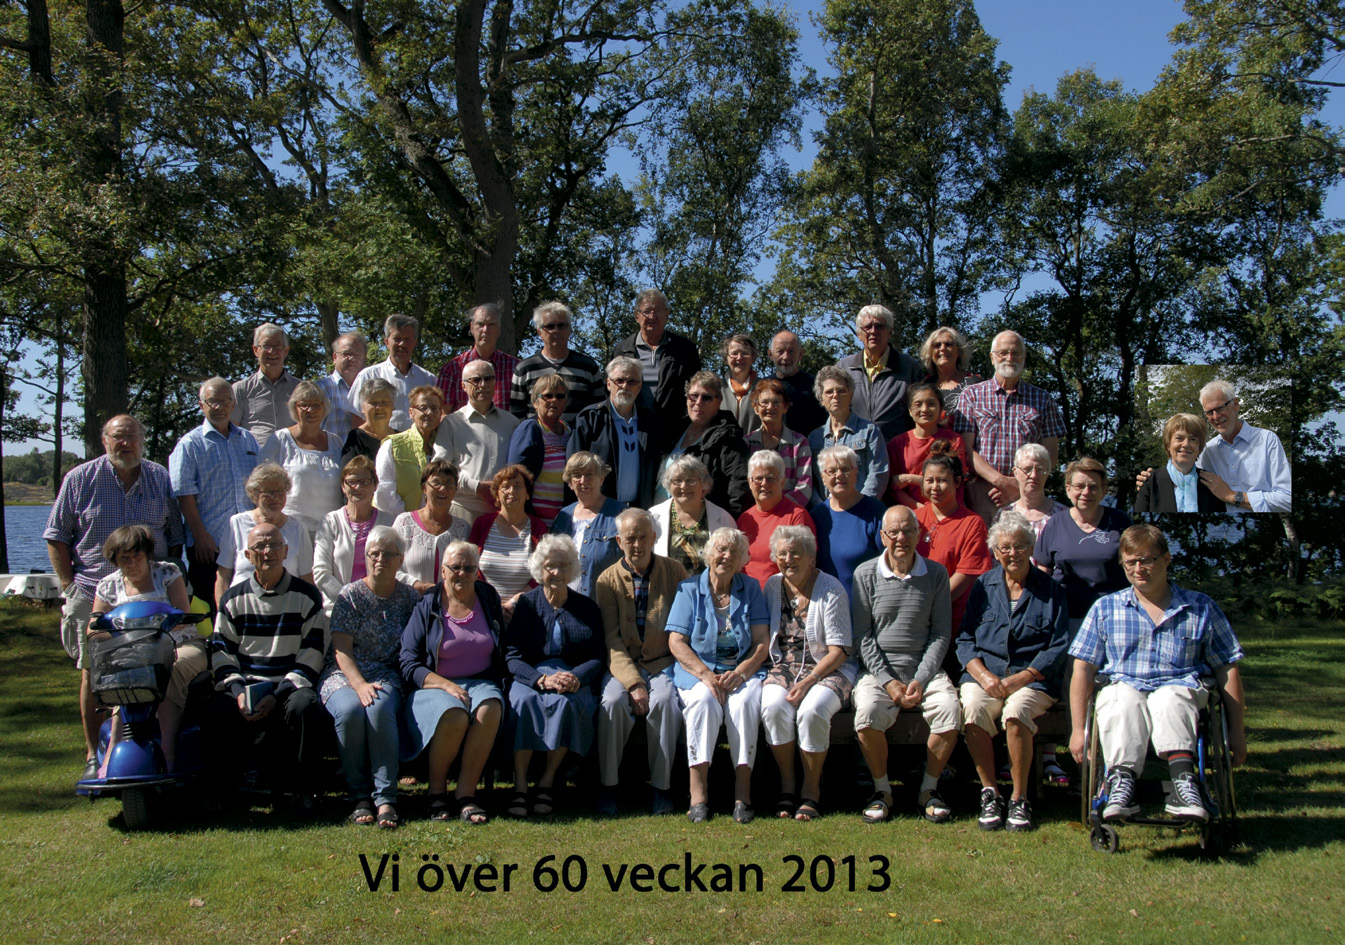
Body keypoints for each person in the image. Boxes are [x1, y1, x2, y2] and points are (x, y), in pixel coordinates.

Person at [1068, 524, 1247, 824]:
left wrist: (1236, 732)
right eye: (1131, 562)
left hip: (1181, 688)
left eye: (1147, 560)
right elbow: (1082, 669)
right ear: (1123, 564)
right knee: (1118, 697)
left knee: (1169, 697)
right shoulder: (1105, 608)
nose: (1139, 568)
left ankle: (1183, 784)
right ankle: (1119, 785)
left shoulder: (1201, 607)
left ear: (1166, 559)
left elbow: (1227, 667)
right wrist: (1078, 730)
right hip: (1125, 686)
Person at [46, 415, 185, 781]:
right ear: (104, 440)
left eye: (132, 437)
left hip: (150, 593)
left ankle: (147, 742)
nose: (126, 444)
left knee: (156, 667)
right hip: (94, 590)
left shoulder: (159, 477)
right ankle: (95, 753)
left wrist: (169, 584)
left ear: (142, 439)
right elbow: (56, 535)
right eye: (118, 438)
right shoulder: (80, 479)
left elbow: (173, 536)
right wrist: (68, 586)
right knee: (94, 674)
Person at [956, 512, 1070, 832]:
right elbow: (965, 639)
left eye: (1020, 546)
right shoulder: (983, 585)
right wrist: (984, 677)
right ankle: (990, 792)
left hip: (1032, 678)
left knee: (1017, 712)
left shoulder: (1051, 590)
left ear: (1031, 547)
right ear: (995, 552)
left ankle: (1020, 799)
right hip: (987, 676)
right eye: (1005, 547)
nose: (1013, 553)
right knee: (974, 709)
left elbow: (1058, 645)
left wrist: (1023, 678)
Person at [207, 522, 329, 812]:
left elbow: (312, 653)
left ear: (286, 551)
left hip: (288, 686)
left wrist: (279, 692)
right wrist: (237, 691)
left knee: (303, 707)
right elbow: (222, 652)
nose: (267, 552)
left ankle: (300, 792)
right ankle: (225, 794)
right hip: (245, 686)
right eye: (260, 546)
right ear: (249, 556)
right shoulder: (232, 599)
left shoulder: (308, 597)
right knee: (216, 710)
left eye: (274, 545)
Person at [851, 506, 960, 825]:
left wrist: (923, 678)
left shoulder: (937, 574)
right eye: (894, 532)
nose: (901, 538)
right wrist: (888, 681)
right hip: (878, 672)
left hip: (924, 671)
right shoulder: (865, 574)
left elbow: (941, 633)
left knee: (950, 711)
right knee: (867, 713)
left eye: (908, 531)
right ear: (883, 536)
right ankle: (882, 790)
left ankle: (928, 789)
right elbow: (862, 635)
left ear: (919, 535)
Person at [319, 526, 420, 829]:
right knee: (350, 711)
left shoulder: (409, 599)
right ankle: (360, 795)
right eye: (374, 554)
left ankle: (386, 797)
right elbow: (341, 648)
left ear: (400, 559)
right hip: (343, 671)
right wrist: (359, 684)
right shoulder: (350, 595)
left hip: (386, 673)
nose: (380, 559)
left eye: (388, 554)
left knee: (378, 709)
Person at [667, 527, 770, 824]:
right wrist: (705, 674)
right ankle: (698, 795)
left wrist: (740, 673)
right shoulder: (688, 589)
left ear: (741, 560)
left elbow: (761, 642)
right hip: (698, 673)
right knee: (704, 704)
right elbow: (676, 641)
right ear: (709, 554)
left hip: (742, 671)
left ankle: (743, 795)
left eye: (733, 552)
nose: (726, 556)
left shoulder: (750, 588)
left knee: (744, 704)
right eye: (720, 549)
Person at [400, 541, 506, 824]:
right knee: (455, 714)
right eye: (455, 567)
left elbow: (501, 645)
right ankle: (436, 792)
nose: (461, 573)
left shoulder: (488, 597)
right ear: (443, 571)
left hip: (481, 681)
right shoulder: (428, 605)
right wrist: (446, 686)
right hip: (435, 685)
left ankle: (466, 795)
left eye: (469, 568)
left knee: (491, 707)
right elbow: (408, 661)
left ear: (477, 571)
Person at [502, 535, 605, 818]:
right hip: (531, 674)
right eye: (550, 566)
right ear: (539, 569)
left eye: (563, 566)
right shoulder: (527, 604)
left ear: (571, 569)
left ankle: (547, 781)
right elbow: (511, 655)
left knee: (566, 704)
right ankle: (521, 783)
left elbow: (598, 656)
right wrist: (540, 679)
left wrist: (578, 678)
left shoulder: (586, 607)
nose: (556, 573)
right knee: (522, 703)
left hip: (572, 675)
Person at [87, 525, 205, 772]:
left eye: (137, 556)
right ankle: (111, 753)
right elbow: (93, 628)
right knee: (121, 678)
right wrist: (121, 634)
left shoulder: (167, 573)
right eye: (124, 558)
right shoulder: (108, 585)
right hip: (134, 653)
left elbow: (182, 614)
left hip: (179, 643)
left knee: (166, 672)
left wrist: (154, 630)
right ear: (115, 560)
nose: (132, 563)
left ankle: (168, 752)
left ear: (147, 554)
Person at [594, 509, 688, 815]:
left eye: (643, 537)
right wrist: (633, 682)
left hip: (662, 663)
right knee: (611, 703)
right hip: (623, 665)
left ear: (655, 538)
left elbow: (685, 623)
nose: (637, 544)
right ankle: (609, 786)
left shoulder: (674, 571)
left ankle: (661, 787)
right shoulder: (607, 581)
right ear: (619, 541)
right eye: (630, 538)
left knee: (664, 702)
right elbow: (611, 638)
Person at [760, 526, 855, 822]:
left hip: (828, 668)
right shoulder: (772, 586)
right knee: (773, 707)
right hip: (784, 666)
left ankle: (811, 788)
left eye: (796, 553)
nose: (789, 559)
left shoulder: (831, 589)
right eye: (783, 553)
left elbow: (840, 650)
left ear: (811, 557)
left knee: (812, 710)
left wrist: (810, 680)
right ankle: (788, 783)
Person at [952, 330, 1066, 522]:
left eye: (1016, 353)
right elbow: (965, 448)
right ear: (992, 357)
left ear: (1024, 356)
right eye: (1003, 352)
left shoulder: (1043, 399)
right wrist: (1002, 482)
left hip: (1029, 494)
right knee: (986, 549)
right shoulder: (971, 395)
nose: (1010, 358)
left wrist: (1020, 485)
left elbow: (1051, 455)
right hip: (983, 493)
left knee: (1027, 549)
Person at [169, 377, 260, 611]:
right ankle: (207, 647)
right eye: (212, 402)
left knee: (245, 604)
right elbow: (184, 495)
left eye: (224, 401)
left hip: (244, 540)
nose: (218, 407)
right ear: (202, 405)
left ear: (233, 404)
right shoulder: (190, 444)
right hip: (208, 544)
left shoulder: (247, 439)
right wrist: (200, 536)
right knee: (206, 606)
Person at [1135, 380, 1292, 513]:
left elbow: (1287, 499)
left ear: (1236, 404)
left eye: (1220, 408)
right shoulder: (1208, 451)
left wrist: (1232, 496)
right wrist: (1149, 481)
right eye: (1210, 412)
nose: (1216, 417)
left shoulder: (1266, 440)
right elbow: (1184, 472)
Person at [1034, 458, 1132, 630]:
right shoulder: (1055, 523)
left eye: (1093, 487)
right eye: (1079, 486)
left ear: (1104, 491)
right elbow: (1042, 574)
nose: (1086, 492)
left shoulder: (1120, 521)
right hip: (1066, 617)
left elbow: (1136, 565)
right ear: (1068, 489)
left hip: (1114, 617)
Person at [915, 450, 994, 646]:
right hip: (914, 620)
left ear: (957, 482)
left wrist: (929, 605)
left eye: (941, 480)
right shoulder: (914, 518)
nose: (935, 487)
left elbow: (966, 575)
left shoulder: (972, 523)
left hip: (953, 622)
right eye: (929, 480)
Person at [568, 356, 667, 508]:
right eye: (619, 381)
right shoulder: (590, 418)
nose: (625, 386)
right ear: (608, 384)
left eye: (631, 381)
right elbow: (573, 468)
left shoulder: (651, 422)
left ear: (639, 386)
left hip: (639, 510)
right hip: (599, 509)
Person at [434, 359, 520, 523]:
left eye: (488, 379)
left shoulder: (511, 422)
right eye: (475, 380)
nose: (482, 384)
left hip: (504, 511)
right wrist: (477, 487)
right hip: (463, 510)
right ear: (463, 386)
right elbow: (439, 471)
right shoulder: (451, 423)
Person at [215, 462, 315, 602]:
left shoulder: (298, 528)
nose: (276, 497)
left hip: (286, 608)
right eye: (268, 493)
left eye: (280, 491)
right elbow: (223, 575)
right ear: (254, 495)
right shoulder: (236, 524)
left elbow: (307, 578)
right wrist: (223, 612)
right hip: (241, 606)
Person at [656, 371, 751, 516]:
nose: (698, 402)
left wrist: (729, 523)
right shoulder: (674, 431)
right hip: (661, 517)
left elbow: (738, 486)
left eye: (706, 398)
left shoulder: (729, 438)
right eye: (693, 396)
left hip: (702, 522)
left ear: (718, 402)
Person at [259, 381, 345, 535]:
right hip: (290, 530)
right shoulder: (280, 439)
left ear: (324, 408)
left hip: (331, 530)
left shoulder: (335, 442)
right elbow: (262, 484)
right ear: (294, 408)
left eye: (316, 405)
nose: (310, 410)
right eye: (304, 405)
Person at [312, 456, 396, 614]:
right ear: (343, 487)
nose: (358, 487)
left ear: (375, 485)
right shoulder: (330, 522)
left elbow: (397, 568)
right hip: (339, 609)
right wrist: (349, 599)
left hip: (380, 610)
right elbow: (320, 571)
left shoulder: (389, 522)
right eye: (352, 482)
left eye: (365, 482)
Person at [614, 288, 703, 430]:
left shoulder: (685, 350)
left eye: (658, 311)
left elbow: (698, 391)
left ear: (667, 315)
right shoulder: (623, 350)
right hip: (632, 429)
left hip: (674, 430)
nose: (652, 316)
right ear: (637, 316)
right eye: (647, 311)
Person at [468, 464, 548, 620]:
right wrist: (491, 601)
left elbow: (543, 573)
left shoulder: (539, 528)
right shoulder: (482, 524)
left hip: (525, 612)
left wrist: (515, 601)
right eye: (505, 487)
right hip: (483, 611)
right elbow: (470, 567)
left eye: (517, 486)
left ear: (527, 494)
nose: (511, 491)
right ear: (497, 495)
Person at [837, 304, 924, 440]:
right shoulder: (843, 368)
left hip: (897, 450)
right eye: (867, 327)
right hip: (853, 449)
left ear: (890, 332)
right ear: (859, 334)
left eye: (879, 326)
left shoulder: (909, 367)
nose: (873, 331)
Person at [509, 300, 602, 424]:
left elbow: (599, 410)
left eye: (561, 325)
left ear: (569, 329)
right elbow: (516, 413)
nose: (556, 331)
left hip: (579, 441)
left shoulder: (588, 367)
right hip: (538, 441)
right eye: (550, 326)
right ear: (540, 332)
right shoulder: (525, 369)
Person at [810, 445, 884, 599]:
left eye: (845, 469)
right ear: (823, 477)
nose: (839, 475)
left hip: (867, 608)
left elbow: (889, 564)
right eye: (832, 471)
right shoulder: (817, 516)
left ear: (855, 473)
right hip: (827, 610)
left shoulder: (875, 512)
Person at [809, 364, 889, 501]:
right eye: (829, 392)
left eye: (841, 390)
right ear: (821, 398)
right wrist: (822, 509)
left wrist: (861, 507)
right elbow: (811, 482)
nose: (835, 396)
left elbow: (878, 474)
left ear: (850, 394)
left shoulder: (869, 432)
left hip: (862, 512)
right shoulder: (814, 438)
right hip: (825, 514)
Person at [549, 452, 625, 597]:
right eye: (577, 475)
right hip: (565, 603)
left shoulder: (621, 514)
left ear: (601, 478)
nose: (583, 481)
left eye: (589, 474)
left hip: (605, 605)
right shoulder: (563, 517)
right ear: (570, 483)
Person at [737, 451, 816, 587]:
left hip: (781, 600)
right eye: (758, 478)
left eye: (771, 478)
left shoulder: (796, 516)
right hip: (748, 600)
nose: (764, 483)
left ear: (782, 482)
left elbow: (806, 568)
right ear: (749, 482)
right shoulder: (744, 519)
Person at [348, 314, 437, 433]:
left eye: (407, 339)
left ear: (414, 342)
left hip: (420, 447)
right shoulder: (368, 376)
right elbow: (357, 419)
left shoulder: (428, 379)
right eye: (397, 339)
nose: (402, 344)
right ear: (386, 342)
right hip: (379, 446)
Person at [392, 460, 471, 594]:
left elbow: (469, 572)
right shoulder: (404, 523)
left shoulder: (463, 528)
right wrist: (417, 586)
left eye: (449, 483)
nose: (443, 488)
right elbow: (390, 566)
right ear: (424, 488)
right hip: (409, 605)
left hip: (448, 608)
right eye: (436, 482)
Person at [649, 456, 735, 576]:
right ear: (669, 485)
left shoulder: (724, 519)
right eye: (677, 481)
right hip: (668, 591)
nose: (684, 486)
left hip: (709, 592)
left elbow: (732, 563)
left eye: (690, 480)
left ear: (703, 484)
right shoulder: (652, 517)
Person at [886, 382, 968, 509]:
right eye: (918, 404)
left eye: (931, 404)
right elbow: (893, 487)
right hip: (911, 513)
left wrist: (911, 479)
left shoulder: (954, 440)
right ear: (910, 411)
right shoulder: (897, 444)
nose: (925, 409)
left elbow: (954, 481)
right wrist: (922, 510)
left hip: (948, 511)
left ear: (940, 409)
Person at [506, 374, 572, 525]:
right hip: (535, 522)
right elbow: (515, 476)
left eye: (559, 396)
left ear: (565, 402)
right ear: (535, 402)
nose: (553, 400)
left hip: (564, 522)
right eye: (547, 396)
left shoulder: (570, 431)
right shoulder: (529, 429)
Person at [373, 385, 445, 515]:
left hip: (434, 522)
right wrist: (410, 520)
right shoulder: (393, 445)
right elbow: (384, 492)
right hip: (396, 522)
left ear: (441, 413)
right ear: (411, 412)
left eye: (434, 408)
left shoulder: (445, 445)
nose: (429, 412)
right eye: (423, 408)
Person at [437, 303, 520, 414]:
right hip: (463, 431)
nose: (485, 330)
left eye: (491, 324)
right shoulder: (452, 369)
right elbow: (442, 415)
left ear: (499, 329)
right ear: (472, 328)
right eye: (480, 324)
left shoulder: (516, 368)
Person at [1134, 414, 1225, 514]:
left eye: (1193, 439)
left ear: (1199, 447)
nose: (1186, 444)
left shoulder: (1211, 484)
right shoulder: (1149, 482)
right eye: (1179, 438)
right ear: (1168, 444)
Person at [744, 378, 813, 507]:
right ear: (756, 408)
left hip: (790, 515)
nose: (770, 407)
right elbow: (744, 486)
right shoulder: (746, 443)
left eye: (776, 402)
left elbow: (804, 488)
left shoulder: (799, 443)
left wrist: (778, 509)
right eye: (764, 403)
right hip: (756, 515)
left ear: (785, 407)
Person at [231, 322, 300, 448]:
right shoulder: (240, 390)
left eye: (277, 346)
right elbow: (231, 432)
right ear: (255, 350)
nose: (272, 351)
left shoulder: (300, 389)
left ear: (286, 350)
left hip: (292, 460)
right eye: (266, 346)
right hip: (255, 460)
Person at [995, 443, 1067, 544]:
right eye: (1027, 469)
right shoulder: (1004, 515)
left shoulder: (1062, 515)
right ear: (1016, 472)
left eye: (1040, 470)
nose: (1033, 475)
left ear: (1047, 473)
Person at [767, 329, 826, 437]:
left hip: (808, 450)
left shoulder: (817, 385)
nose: (786, 357)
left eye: (791, 351)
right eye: (780, 351)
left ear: (800, 354)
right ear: (770, 354)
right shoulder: (762, 386)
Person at [316, 331, 369, 444]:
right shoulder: (321, 389)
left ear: (365, 358)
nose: (352, 358)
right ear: (335, 357)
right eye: (346, 353)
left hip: (365, 458)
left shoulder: (371, 390)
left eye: (357, 354)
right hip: (331, 458)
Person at [919, 326, 982, 418]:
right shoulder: (924, 384)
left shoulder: (974, 383)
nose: (942, 349)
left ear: (959, 351)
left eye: (948, 344)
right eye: (937, 345)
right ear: (930, 352)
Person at [340, 377, 398, 467]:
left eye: (384, 402)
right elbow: (348, 474)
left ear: (393, 405)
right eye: (373, 402)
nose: (379, 407)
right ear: (362, 408)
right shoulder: (356, 439)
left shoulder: (400, 438)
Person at [720, 333, 762, 435]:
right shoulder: (715, 388)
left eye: (744, 353)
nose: (739, 358)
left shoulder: (764, 388)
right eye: (734, 353)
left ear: (753, 358)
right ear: (726, 358)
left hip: (757, 449)